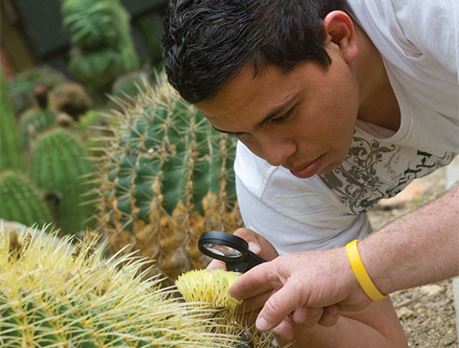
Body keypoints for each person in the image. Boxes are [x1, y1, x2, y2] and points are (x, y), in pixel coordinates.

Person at [163, 0, 459, 346]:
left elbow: (351, 271)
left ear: (338, 36)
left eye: (282, 115)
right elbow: (382, 341)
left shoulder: (427, 11)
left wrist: (353, 267)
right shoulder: (271, 184)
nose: (274, 155)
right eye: (241, 134)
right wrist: (294, 309)